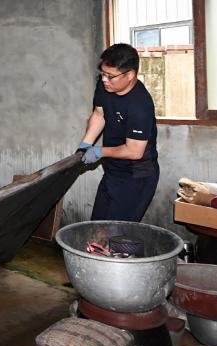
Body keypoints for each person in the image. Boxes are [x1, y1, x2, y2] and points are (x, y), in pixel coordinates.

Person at [79, 43, 159, 222]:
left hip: (136, 176)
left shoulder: (140, 105)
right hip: (113, 170)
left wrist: (99, 151)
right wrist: (85, 144)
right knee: (97, 227)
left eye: (110, 76)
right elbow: (100, 114)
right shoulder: (105, 86)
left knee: (118, 235)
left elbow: (134, 151)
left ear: (130, 74)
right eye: (102, 74)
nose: (104, 79)